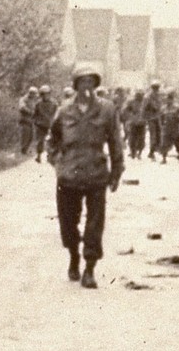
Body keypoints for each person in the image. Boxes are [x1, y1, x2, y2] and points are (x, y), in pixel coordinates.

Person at [46, 62, 123, 288]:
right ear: (76, 84)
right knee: (68, 222)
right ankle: (73, 256)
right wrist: (56, 161)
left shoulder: (107, 110)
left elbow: (115, 142)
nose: (86, 86)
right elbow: (52, 139)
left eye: (91, 81)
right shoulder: (64, 110)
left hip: (96, 173)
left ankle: (89, 268)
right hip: (68, 175)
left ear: (96, 84)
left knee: (95, 223)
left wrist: (117, 171)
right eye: (82, 82)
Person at [31, 85, 58, 162]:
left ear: (49, 94)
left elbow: (57, 113)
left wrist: (56, 122)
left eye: (47, 94)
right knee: (40, 141)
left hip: (51, 124)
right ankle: (39, 155)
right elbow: (35, 114)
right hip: (40, 125)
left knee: (52, 140)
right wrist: (36, 122)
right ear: (41, 95)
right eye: (43, 94)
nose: (46, 96)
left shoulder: (54, 103)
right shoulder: (38, 104)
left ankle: (50, 155)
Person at [158, 94, 179, 164]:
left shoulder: (177, 108)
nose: (168, 101)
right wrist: (161, 126)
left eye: (170, 99)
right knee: (164, 143)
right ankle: (164, 158)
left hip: (175, 128)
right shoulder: (163, 108)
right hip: (166, 128)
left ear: (172, 100)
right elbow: (161, 118)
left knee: (177, 143)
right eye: (167, 99)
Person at [125, 88, 148, 159]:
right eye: (138, 95)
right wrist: (131, 115)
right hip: (133, 123)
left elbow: (149, 111)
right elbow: (126, 110)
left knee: (141, 139)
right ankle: (132, 152)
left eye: (141, 95)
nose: (139, 97)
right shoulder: (131, 102)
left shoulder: (145, 102)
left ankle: (139, 153)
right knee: (132, 138)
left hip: (142, 123)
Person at [17, 86, 40, 156]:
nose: (35, 96)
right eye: (34, 94)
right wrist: (30, 112)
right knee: (25, 136)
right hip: (24, 121)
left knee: (30, 137)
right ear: (31, 93)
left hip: (30, 121)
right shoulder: (23, 99)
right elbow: (22, 107)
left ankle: (25, 151)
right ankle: (23, 152)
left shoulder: (33, 100)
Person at [144, 82, 164, 158]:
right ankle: (151, 152)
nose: (157, 90)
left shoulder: (158, 95)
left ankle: (155, 150)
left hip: (157, 117)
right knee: (153, 135)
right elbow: (144, 108)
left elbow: (160, 105)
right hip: (151, 117)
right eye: (155, 88)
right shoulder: (148, 97)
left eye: (157, 89)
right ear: (153, 88)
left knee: (159, 134)